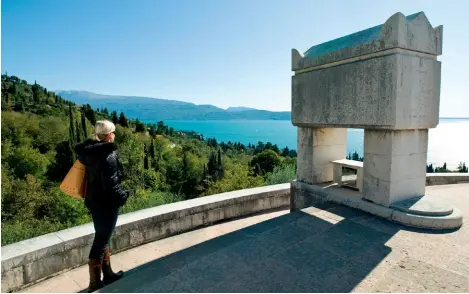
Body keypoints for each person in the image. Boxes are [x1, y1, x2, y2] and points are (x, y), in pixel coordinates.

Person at [75, 120, 129, 292]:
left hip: (94, 201)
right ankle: (95, 283)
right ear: (108, 135)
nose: (114, 135)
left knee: (102, 236)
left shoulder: (88, 152)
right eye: (113, 132)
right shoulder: (108, 155)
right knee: (101, 241)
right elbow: (111, 184)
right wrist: (124, 195)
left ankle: (108, 274)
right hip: (107, 204)